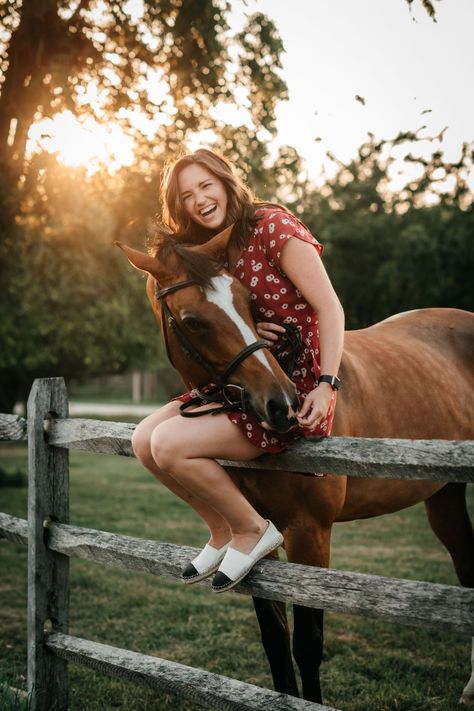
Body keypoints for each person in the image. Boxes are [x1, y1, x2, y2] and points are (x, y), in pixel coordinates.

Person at [132, 148, 345, 593]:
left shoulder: (272, 226)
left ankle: (252, 529)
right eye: (187, 195)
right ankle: (223, 529)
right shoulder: (209, 251)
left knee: (169, 443)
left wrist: (327, 384)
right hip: (248, 373)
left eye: (206, 185)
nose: (200, 200)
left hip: (293, 380)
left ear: (226, 181)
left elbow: (329, 306)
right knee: (142, 440)